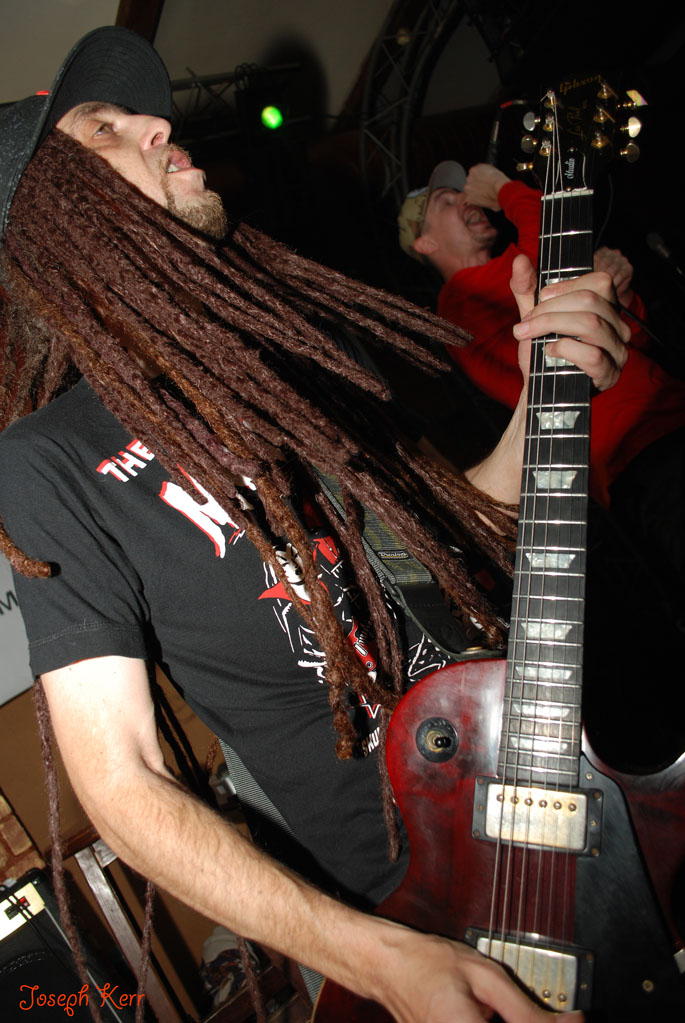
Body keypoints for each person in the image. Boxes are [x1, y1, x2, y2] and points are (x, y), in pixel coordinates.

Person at [0, 27, 630, 1023]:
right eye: (104, 127)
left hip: (587, 783)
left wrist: (550, 382)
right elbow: (124, 780)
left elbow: (459, 530)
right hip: (416, 906)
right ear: (53, 218)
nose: (157, 123)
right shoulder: (51, 460)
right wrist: (383, 962)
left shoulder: (290, 349)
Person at [398, 160, 685, 506]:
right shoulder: (458, 300)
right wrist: (500, 187)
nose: (464, 199)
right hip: (637, 452)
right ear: (426, 243)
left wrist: (621, 298)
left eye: (460, 193)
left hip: (665, 413)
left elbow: (633, 344)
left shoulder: (508, 273)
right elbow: (556, 230)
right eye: (446, 201)